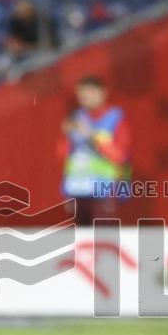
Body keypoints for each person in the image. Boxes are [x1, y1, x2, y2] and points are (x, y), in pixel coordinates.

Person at [60, 75, 131, 225]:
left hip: (105, 191)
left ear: (102, 93)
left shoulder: (115, 118)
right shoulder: (76, 118)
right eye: (81, 93)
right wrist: (66, 192)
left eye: (90, 92)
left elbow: (121, 156)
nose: (85, 97)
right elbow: (66, 157)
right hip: (79, 191)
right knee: (81, 242)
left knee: (102, 240)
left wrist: (91, 136)